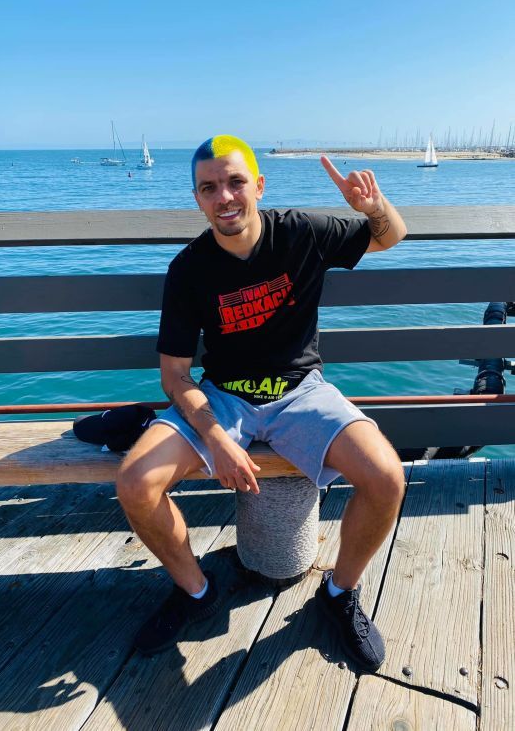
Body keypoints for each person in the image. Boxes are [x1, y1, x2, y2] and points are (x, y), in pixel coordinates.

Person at [116, 135, 407, 671]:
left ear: (259, 185)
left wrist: (372, 207)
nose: (224, 197)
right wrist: (215, 437)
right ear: (198, 199)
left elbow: (392, 236)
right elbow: (175, 376)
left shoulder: (301, 233)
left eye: (235, 182)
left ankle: (339, 593)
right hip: (223, 397)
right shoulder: (189, 269)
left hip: (301, 391)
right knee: (136, 483)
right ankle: (196, 592)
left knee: (387, 477)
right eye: (209, 188)